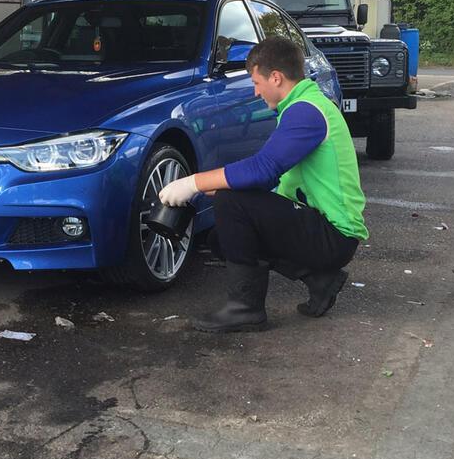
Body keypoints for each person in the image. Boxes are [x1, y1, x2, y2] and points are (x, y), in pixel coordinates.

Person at [158, 36, 368, 333]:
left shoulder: (306, 111)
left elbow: (263, 169)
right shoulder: (302, 107)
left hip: (334, 236)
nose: (256, 92)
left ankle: (246, 309)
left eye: (257, 83)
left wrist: (193, 182)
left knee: (233, 203)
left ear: (276, 77)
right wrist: (216, 187)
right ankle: (319, 280)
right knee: (223, 237)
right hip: (322, 229)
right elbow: (275, 178)